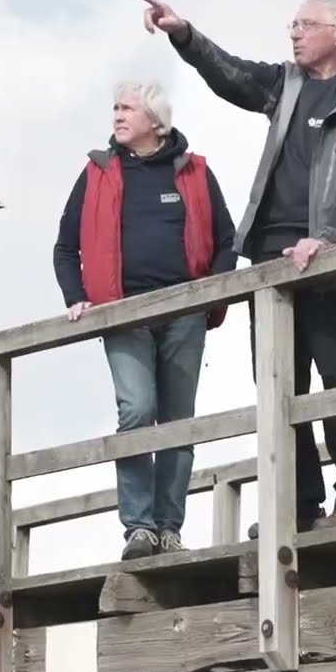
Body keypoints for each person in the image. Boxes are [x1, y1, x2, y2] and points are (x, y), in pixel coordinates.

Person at [140, 0, 336, 533]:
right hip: (272, 255)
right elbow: (232, 76)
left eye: (305, 24)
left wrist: (332, 236)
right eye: (291, 23)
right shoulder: (285, 83)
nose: (293, 33)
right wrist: (184, 34)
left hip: (331, 256)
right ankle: (295, 506)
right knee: (277, 383)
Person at [53, 80, 236, 561]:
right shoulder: (98, 172)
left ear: (156, 121)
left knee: (178, 421)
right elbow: (64, 247)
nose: (117, 115)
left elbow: (225, 240)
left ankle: (169, 527)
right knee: (136, 411)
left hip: (183, 312)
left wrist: (212, 293)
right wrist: (76, 297)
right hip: (123, 313)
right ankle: (139, 527)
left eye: (128, 108)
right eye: (114, 106)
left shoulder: (195, 171)